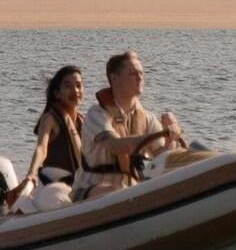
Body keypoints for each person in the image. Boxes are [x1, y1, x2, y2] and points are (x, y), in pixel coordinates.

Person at [73, 51, 185, 200]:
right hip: (88, 190)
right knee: (117, 191)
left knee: (129, 190)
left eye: (141, 73)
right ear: (114, 78)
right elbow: (115, 145)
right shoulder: (96, 115)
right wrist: (151, 137)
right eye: (133, 74)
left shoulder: (147, 118)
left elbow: (161, 156)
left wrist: (171, 137)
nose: (140, 78)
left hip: (131, 190)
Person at [5, 66, 86, 210]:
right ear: (57, 94)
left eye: (78, 85)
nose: (75, 91)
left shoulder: (84, 121)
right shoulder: (50, 119)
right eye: (68, 86)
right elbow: (41, 148)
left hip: (76, 186)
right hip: (52, 189)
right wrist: (31, 173)